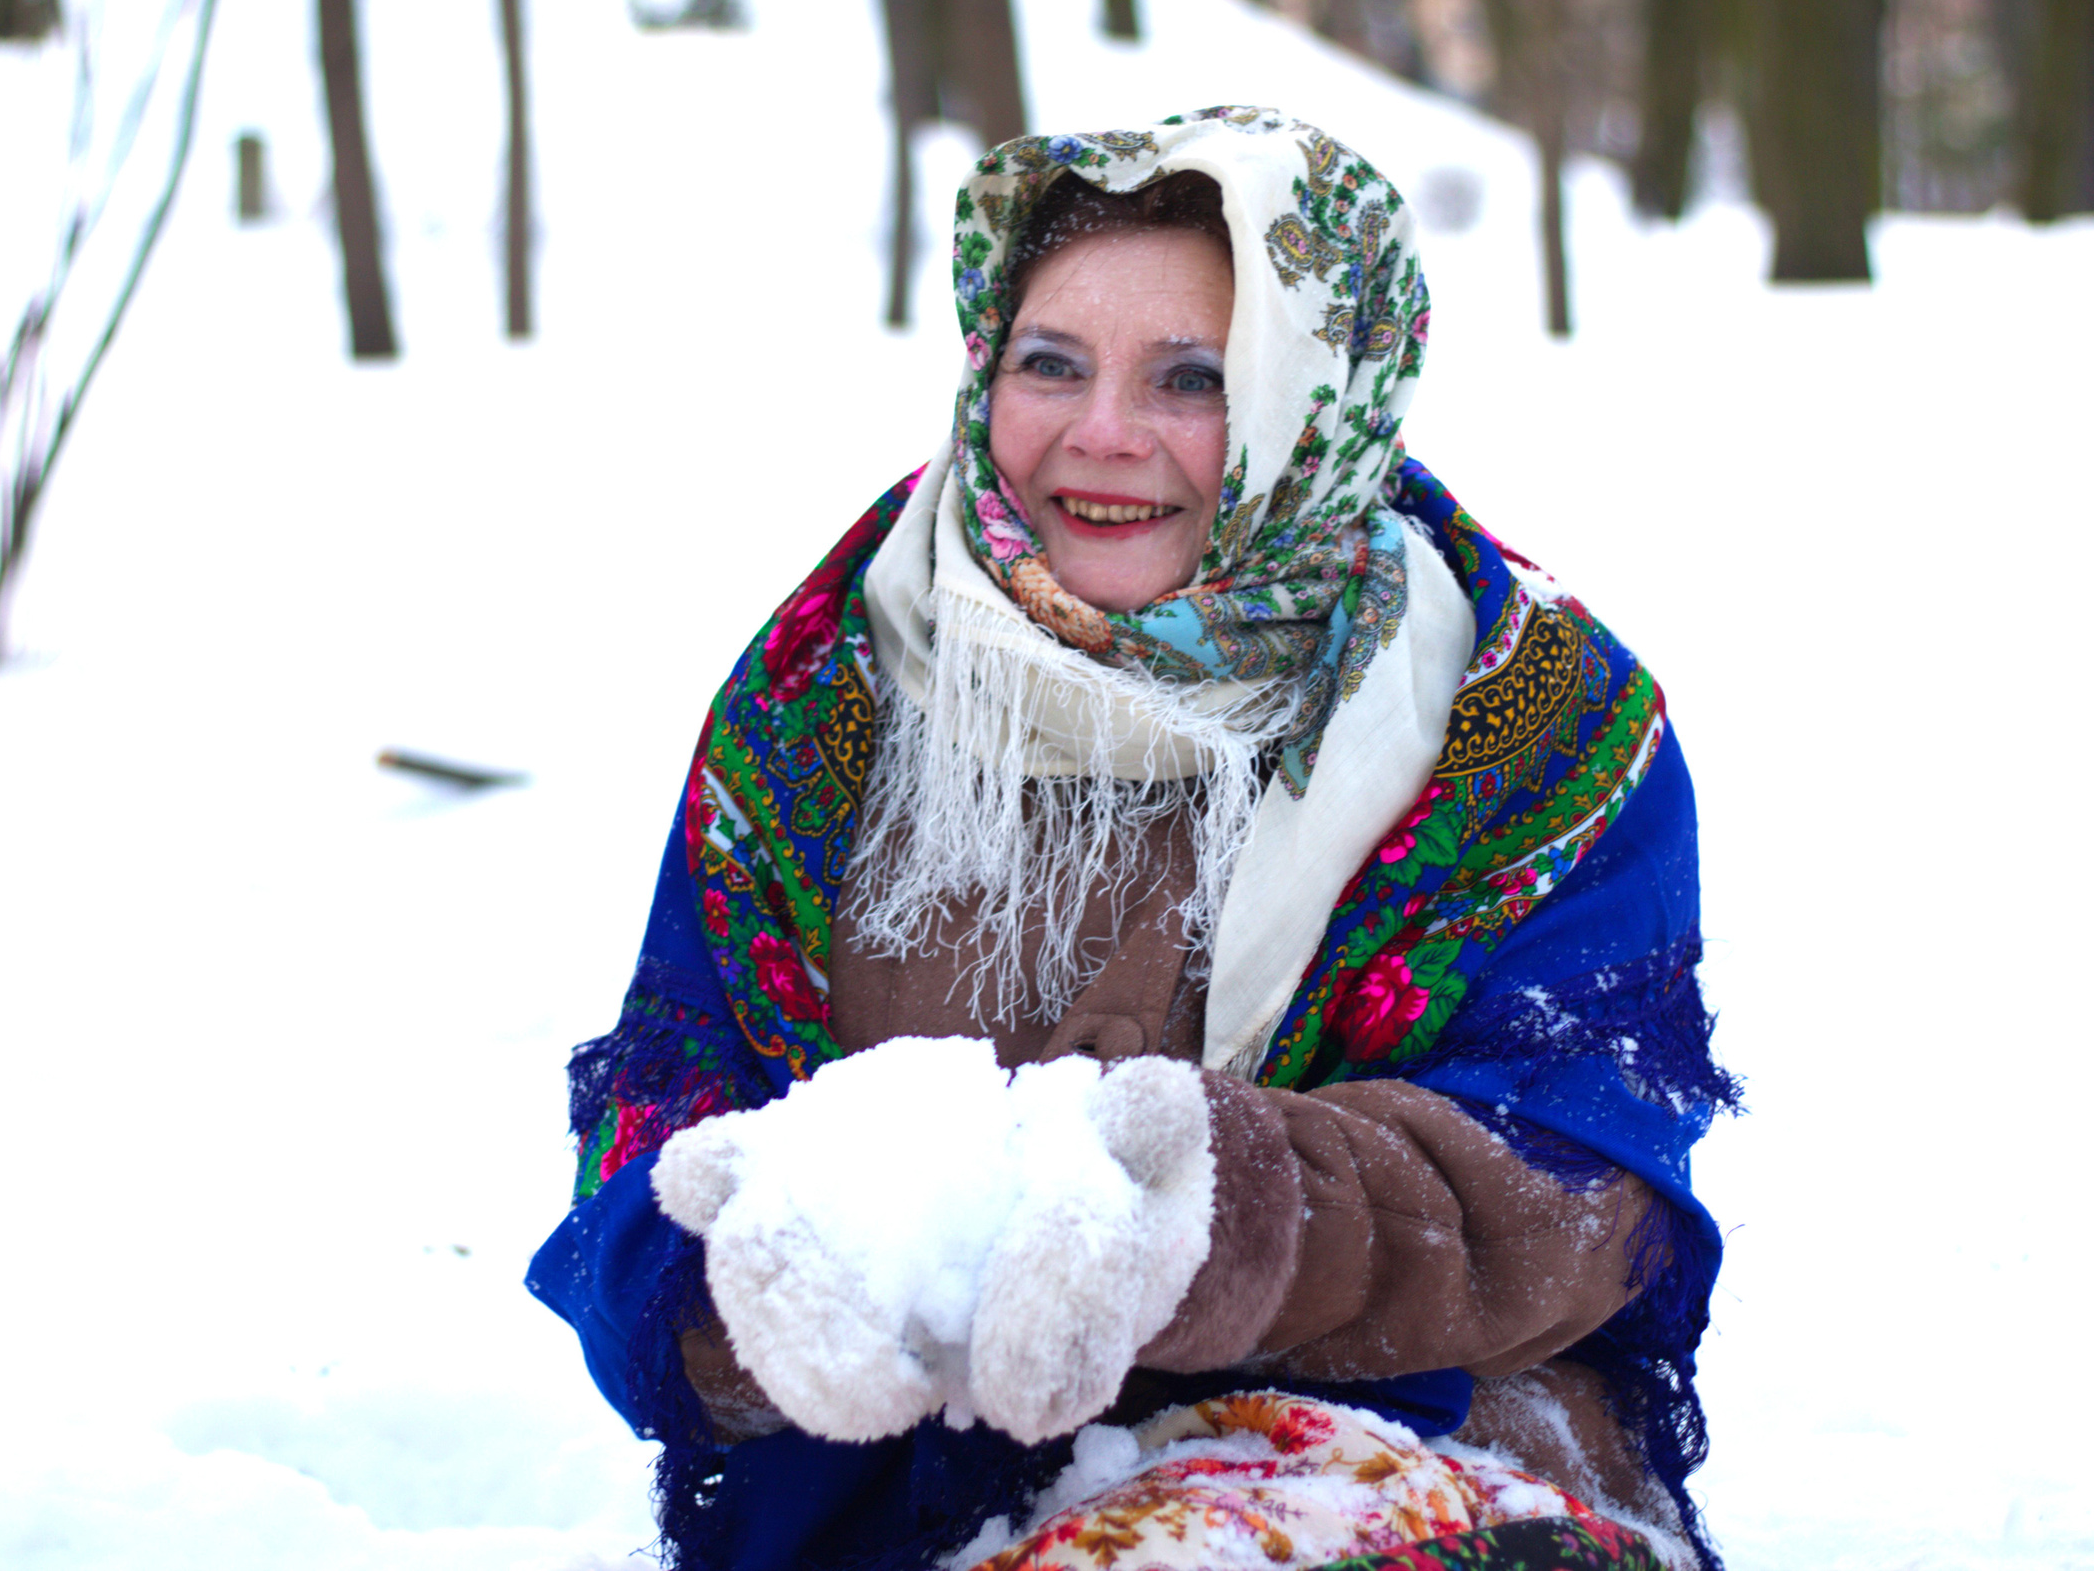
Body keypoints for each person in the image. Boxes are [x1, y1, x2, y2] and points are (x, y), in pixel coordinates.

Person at [528, 108, 1740, 1571]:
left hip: (1394, 1473)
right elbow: (663, 1096)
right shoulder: (827, 681)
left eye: (1196, 379)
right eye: (1051, 363)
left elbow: (1571, 1183)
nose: (1101, 436)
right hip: (895, 1514)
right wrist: (735, 1285)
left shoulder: (1520, 715)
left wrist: (1194, 1215)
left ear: (1317, 398)